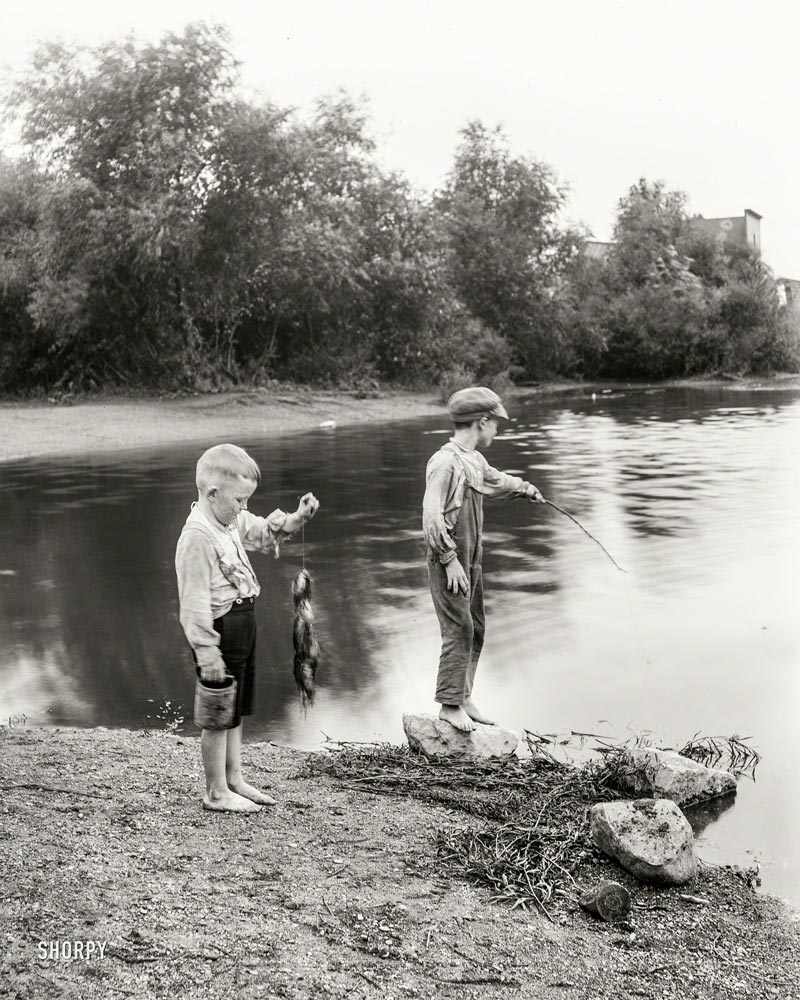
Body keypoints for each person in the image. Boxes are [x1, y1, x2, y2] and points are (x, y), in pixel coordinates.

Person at [175, 443, 319, 813]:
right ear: (212, 493)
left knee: (235, 709)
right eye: (239, 500)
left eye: (246, 500)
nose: (243, 507)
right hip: (218, 630)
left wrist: (298, 518)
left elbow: (263, 531)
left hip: (243, 623)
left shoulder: (230, 520)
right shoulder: (197, 537)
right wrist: (207, 653)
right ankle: (215, 791)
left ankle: (234, 778)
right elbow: (192, 607)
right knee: (218, 714)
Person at [422, 387, 544, 732]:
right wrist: (448, 559)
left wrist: (525, 488)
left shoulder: (474, 460)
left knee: (476, 627)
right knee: (458, 629)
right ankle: (448, 704)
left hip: (471, 560)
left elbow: (495, 481)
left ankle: (463, 695)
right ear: (482, 421)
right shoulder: (445, 462)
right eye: (495, 425)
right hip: (450, 561)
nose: (497, 431)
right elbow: (431, 517)